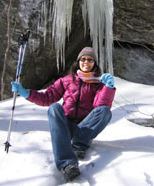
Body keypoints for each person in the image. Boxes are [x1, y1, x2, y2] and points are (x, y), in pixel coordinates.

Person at [11, 47, 116, 182]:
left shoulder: (98, 83)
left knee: (105, 111)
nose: (86, 62)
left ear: (94, 64)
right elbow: (47, 97)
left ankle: (79, 144)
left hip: (84, 127)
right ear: (78, 62)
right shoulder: (66, 80)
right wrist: (26, 93)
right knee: (54, 107)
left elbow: (100, 106)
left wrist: (108, 88)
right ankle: (67, 164)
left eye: (90, 60)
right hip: (65, 126)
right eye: (83, 59)